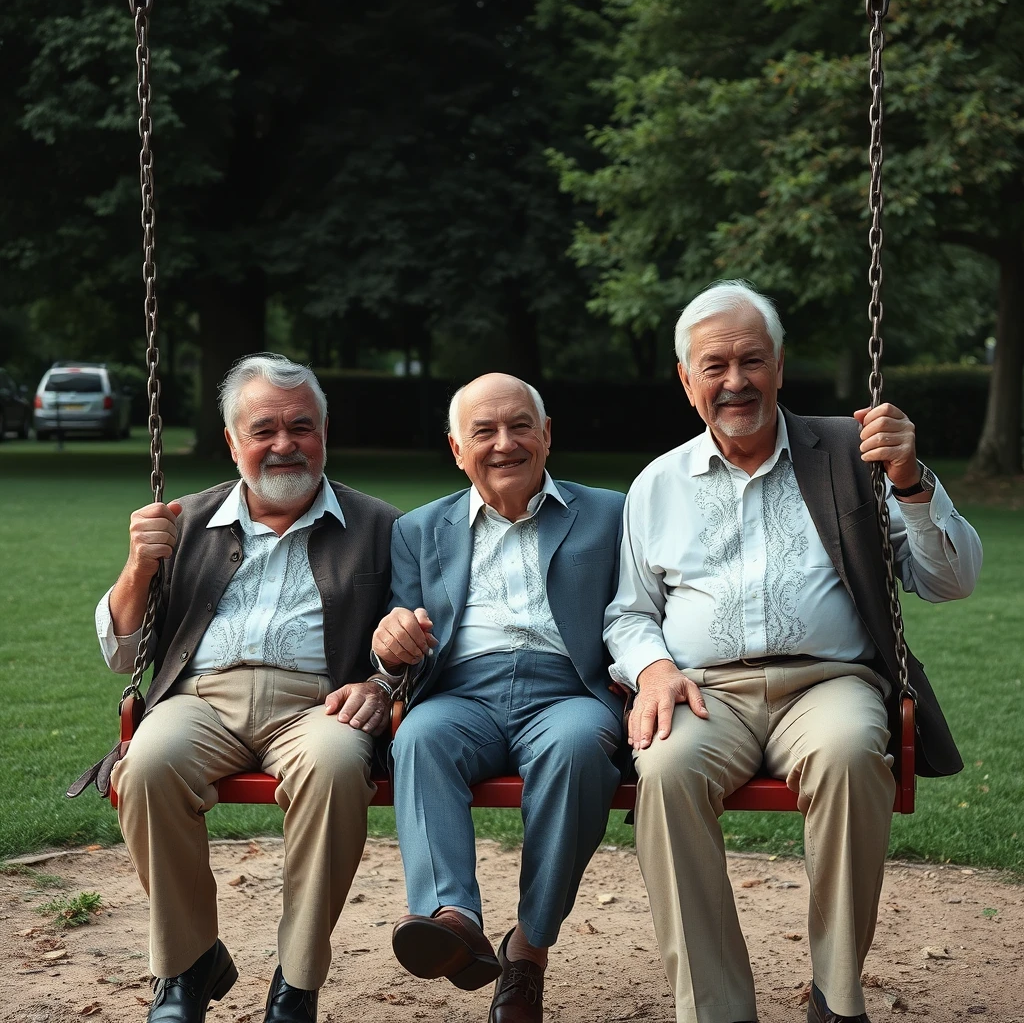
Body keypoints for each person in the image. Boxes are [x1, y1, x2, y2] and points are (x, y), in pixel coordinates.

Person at [603, 281, 982, 1023]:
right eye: (714, 367)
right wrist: (652, 669)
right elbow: (628, 612)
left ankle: (836, 998)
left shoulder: (850, 451)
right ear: (687, 382)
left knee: (847, 757)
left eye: (752, 360)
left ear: (779, 365)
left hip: (827, 683)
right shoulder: (657, 485)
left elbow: (953, 581)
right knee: (667, 771)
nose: (735, 381)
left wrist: (911, 482)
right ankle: (715, 1010)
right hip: (706, 691)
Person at [78, 354, 400, 1023]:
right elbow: (121, 655)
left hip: (318, 703)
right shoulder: (186, 522)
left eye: (300, 427)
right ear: (233, 442)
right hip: (200, 699)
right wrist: (139, 566)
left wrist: (379, 682)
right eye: (264, 430)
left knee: (339, 764)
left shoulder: (381, 528)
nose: (284, 445)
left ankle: (297, 982)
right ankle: (188, 966)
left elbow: (414, 642)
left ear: (324, 432)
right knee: (145, 767)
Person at [373, 373, 625, 1023]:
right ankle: (451, 917)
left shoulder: (611, 514)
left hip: (568, 690)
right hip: (462, 693)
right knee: (420, 737)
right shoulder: (419, 530)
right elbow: (398, 636)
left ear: (546, 436)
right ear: (457, 448)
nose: (504, 443)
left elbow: (642, 608)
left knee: (575, 748)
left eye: (520, 427)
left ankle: (528, 951)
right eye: (483, 431)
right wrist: (391, 640)